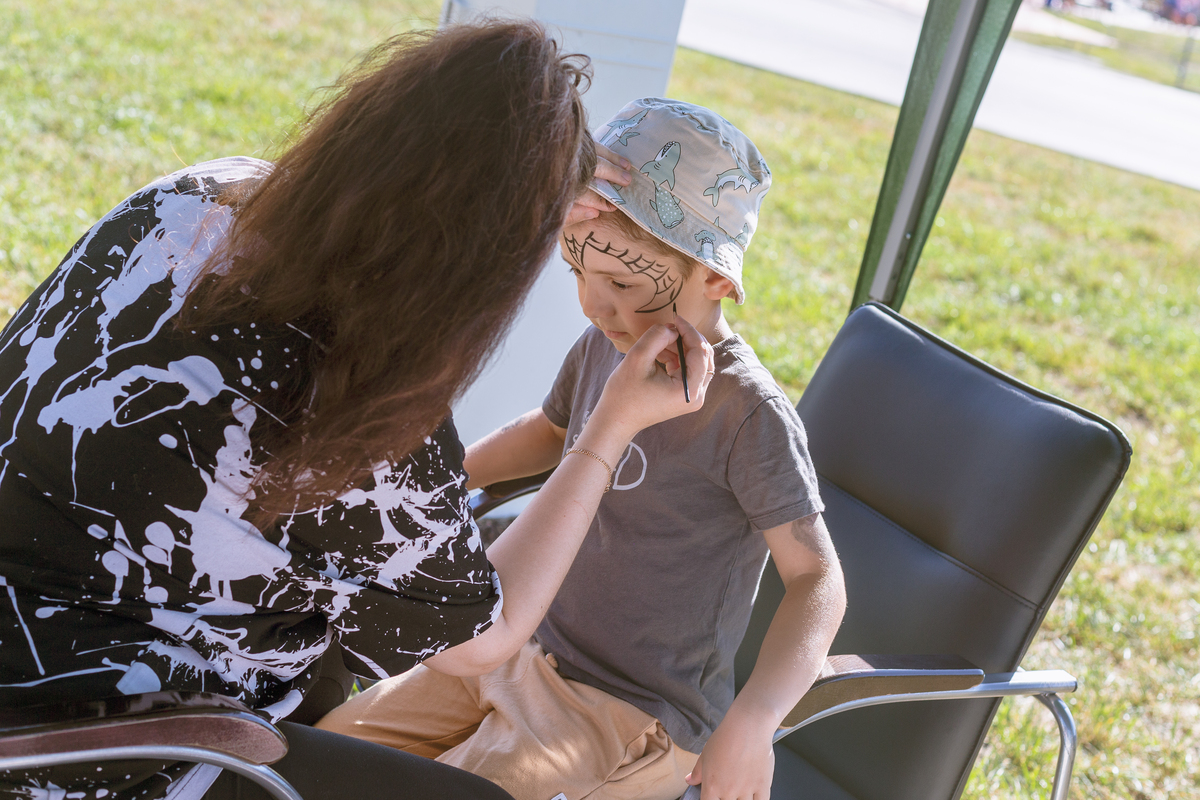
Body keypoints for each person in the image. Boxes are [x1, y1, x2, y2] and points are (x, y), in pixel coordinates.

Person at [0, 25, 716, 800]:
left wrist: (536, 185)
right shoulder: (358, 404)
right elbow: (489, 636)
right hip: (84, 740)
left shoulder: (193, 198)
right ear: (485, 260)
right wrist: (608, 428)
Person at [316, 99, 848, 800]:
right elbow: (549, 431)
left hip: (625, 710)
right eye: (578, 273)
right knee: (320, 757)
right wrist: (444, 475)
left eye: (622, 283)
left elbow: (817, 580)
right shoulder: (608, 342)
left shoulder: (747, 413)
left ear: (716, 279)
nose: (594, 306)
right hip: (518, 648)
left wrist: (754, 719)